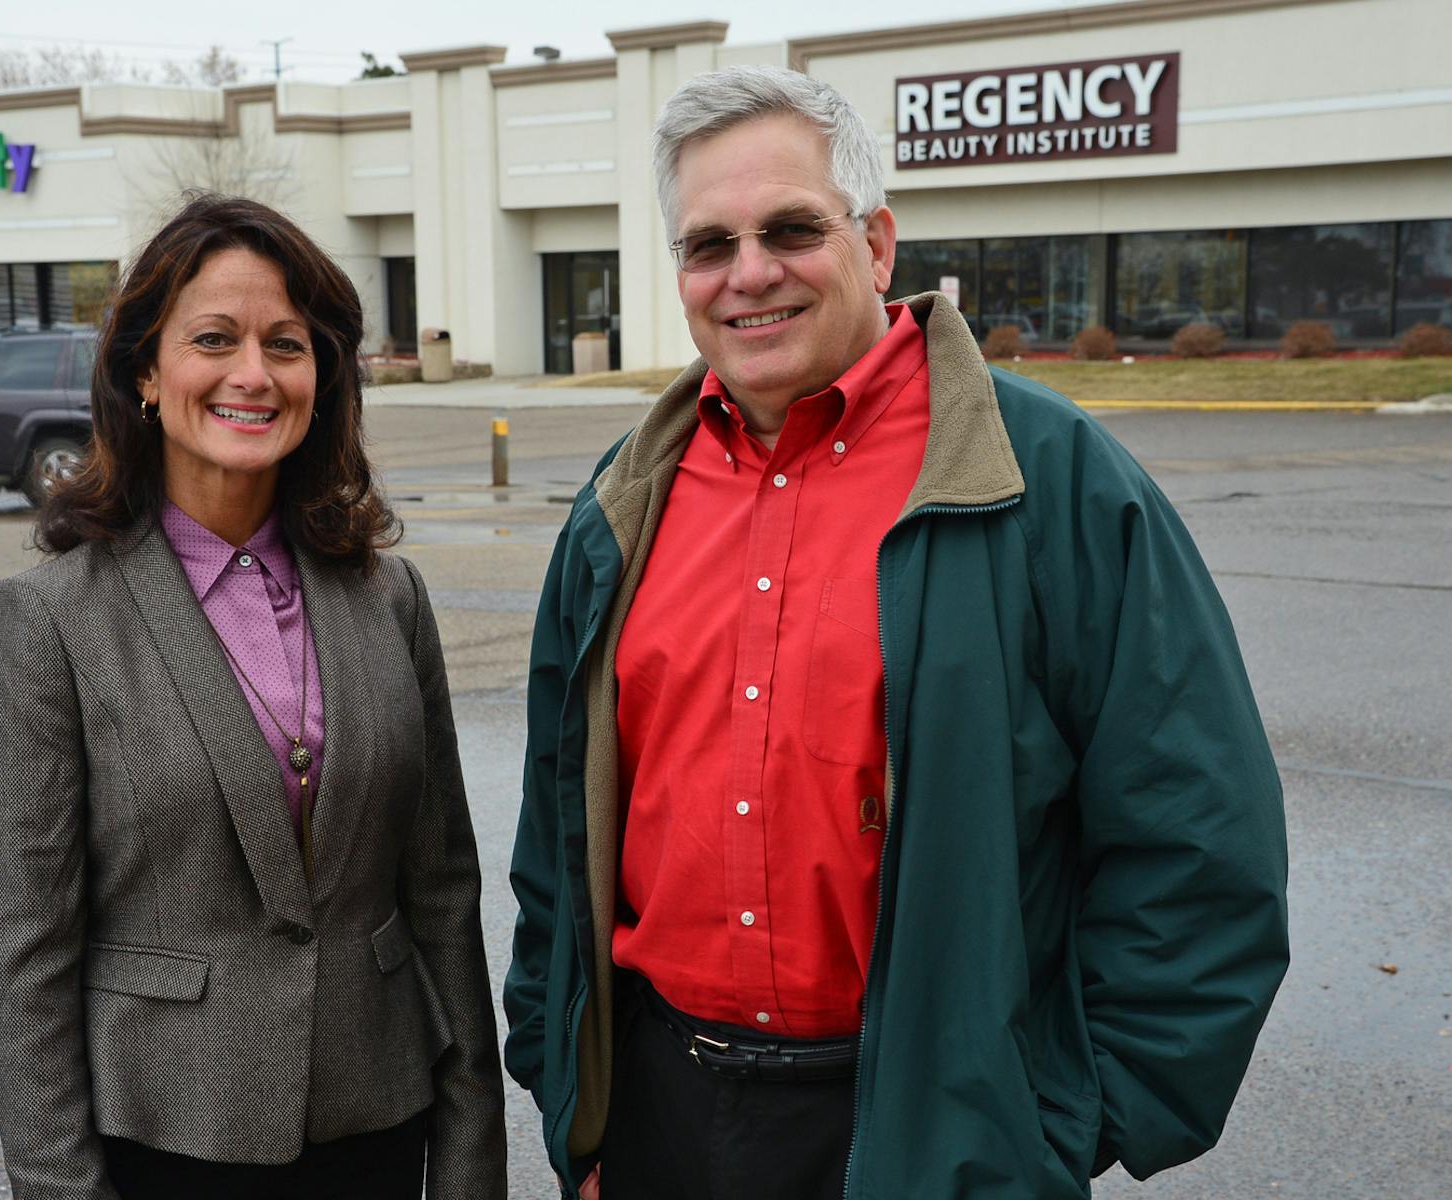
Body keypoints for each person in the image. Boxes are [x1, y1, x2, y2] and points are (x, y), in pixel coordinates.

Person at [503, 67, 1288, 1199]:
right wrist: (572, 1093)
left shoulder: (1052, 481)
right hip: (660, 1123)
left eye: (790, 229)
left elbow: (1202, 840)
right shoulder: (622, 502)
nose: (750, 273)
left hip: (933, 1131)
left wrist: (1065, 1121)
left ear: (875, 244)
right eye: (708, 244)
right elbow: (556, 831)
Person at [0, 193, 504, 1200]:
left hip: (379, 1129)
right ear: (145, 370)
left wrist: (473, 1164)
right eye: (214, 339)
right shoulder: (50, 619)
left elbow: (441, 894)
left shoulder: (389, 598)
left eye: (287, 345)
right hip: (164, 1144)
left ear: (322, 374)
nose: (253, 374)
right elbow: (25, 952)